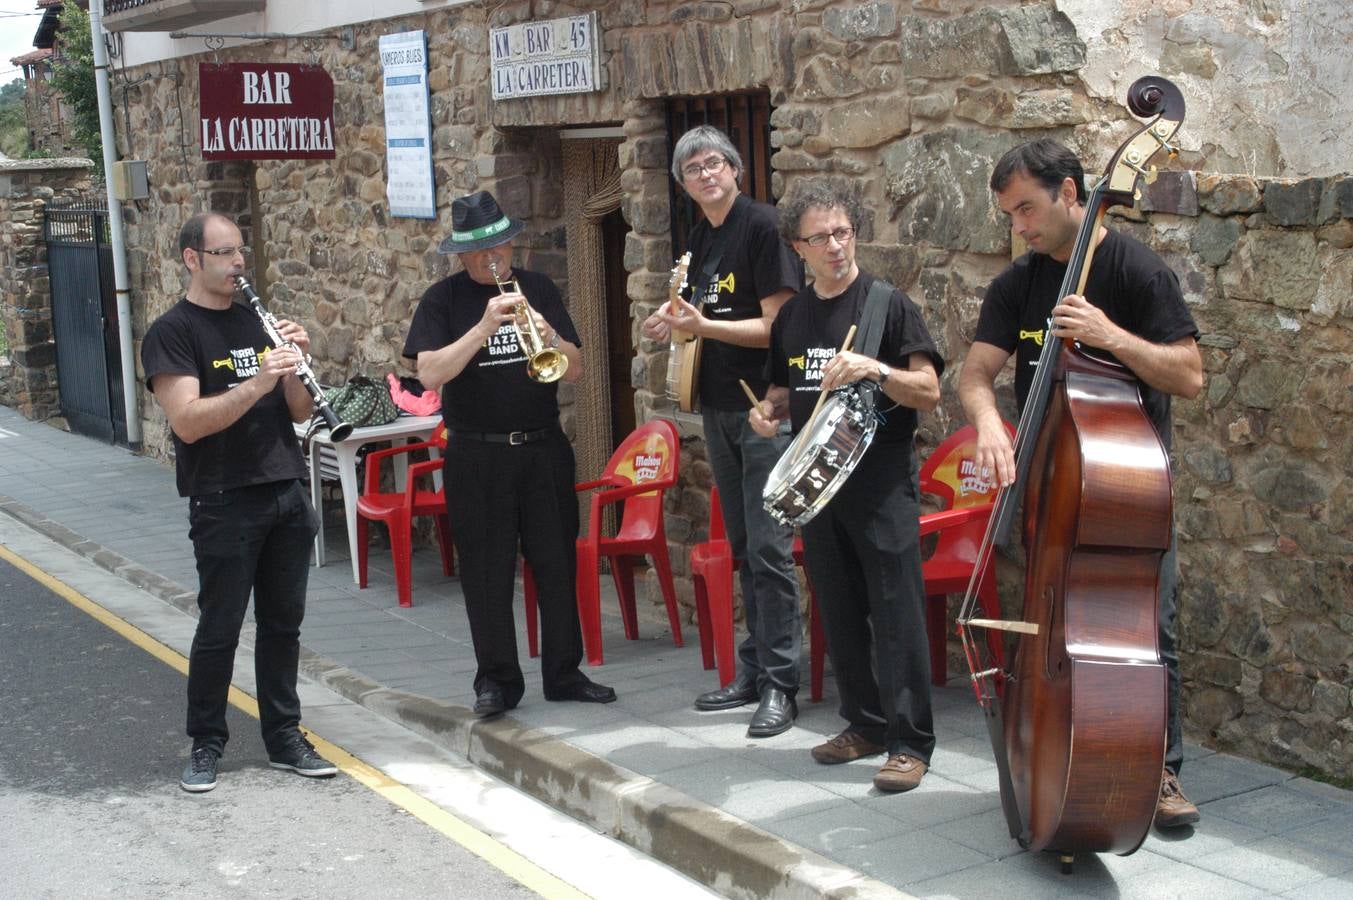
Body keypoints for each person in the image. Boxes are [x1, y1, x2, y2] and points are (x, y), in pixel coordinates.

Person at [957, 138, 1204, 828]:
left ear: (1071, 192)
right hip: (1047, 486)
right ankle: (1056, 752)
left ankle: (1158, 770)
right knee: (1048, 629)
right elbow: (974, 373)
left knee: (1148, 630)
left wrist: (1110, 335)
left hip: (1124, 491)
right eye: (1009, 215)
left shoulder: (1134, 271)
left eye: (1028, 209)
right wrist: (985, 423)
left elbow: (1187, 374)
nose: (1020, 227)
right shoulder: (1019, 283)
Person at [750, 181, 944, 792]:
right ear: (797, 247)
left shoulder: (888, 305)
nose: (834, 246)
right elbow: (786, 390)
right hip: (820, 489)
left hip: (882, 481)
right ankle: (864, 724)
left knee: (896, 611)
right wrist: (769, 412)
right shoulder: (794, 317)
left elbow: (930, 390)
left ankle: (911, 741)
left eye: (843, 232)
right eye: (820, 237)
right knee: (837, 606)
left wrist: (875, 368)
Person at [142, 212, 337, 793]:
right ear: (192, 259)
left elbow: (300, 412)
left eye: (240, 254)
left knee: (283, 626)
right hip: (223, 498)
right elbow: (189, 421)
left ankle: (284, 737)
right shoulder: (172, 333)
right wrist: (257, 379)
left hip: (284, 489)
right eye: (223, 254)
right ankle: (206, 742)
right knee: (221, 627)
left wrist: (296, 364)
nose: (236, 265)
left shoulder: (258, 321)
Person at [404, 190, 614, 718]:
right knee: (486, 571)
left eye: (499, 245)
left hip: (542, 448)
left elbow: (577, 367)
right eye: (480, 251)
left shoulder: (538, 288)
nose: (492, 257)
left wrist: (547, 334)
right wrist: (481, 328)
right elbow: (428, 373)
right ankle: (496, 681)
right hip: (477, 456)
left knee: (556, 561)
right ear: (460, 256)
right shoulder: (442, 301)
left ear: (512, 242)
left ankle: (564, 672)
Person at [641, 125, 805, 737]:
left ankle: (781, 686)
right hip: (716, 407)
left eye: (715, 164)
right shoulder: (701, 238)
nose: (706, 176)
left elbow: (777, 327)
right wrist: (670, 318)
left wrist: (704, 326)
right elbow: (694, 310)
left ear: (736, 169)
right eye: (694, 171)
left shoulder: (762, 227)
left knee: (769, 547)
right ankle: (753, 669)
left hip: (763, 407)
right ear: (684, 186)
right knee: (743, 548)